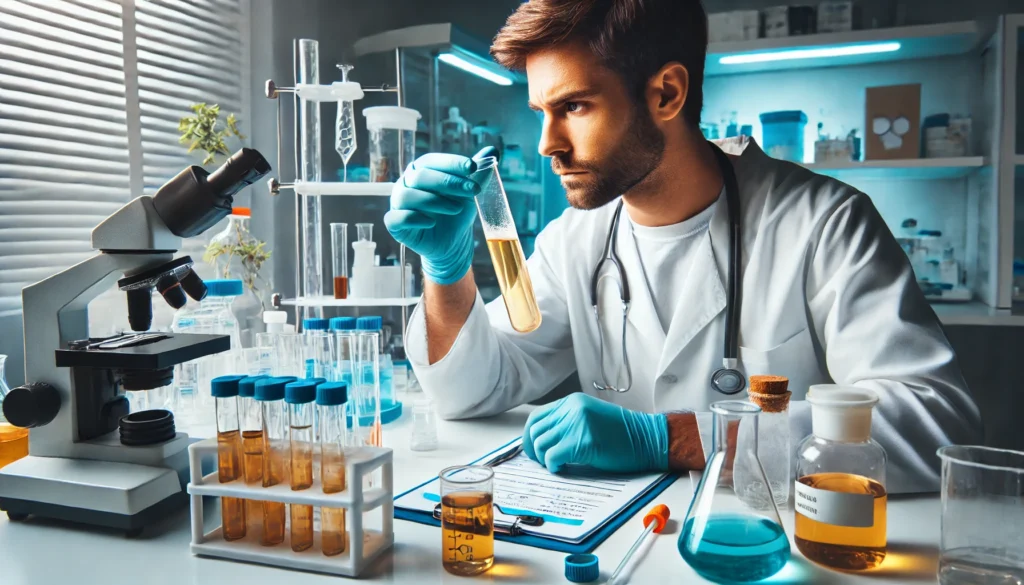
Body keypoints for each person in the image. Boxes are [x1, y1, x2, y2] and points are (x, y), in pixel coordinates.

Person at [385, 0, 981, 493]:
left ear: (666, 93)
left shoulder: (823, 222)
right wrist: (447, 269)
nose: (548, 143)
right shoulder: (577, 239)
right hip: (617, 549)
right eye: (542, 111)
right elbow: (472, 391)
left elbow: (934, 423)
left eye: (574, 106)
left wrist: (674, 437)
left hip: (769, 548)